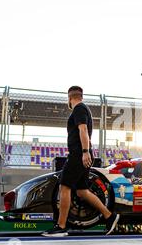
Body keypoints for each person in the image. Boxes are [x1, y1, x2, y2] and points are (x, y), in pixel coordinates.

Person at [43, 86, 120, 237]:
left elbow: (83, 130)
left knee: (64, 187)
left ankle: (61, 226)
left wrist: (85, 152)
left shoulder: (79, 109)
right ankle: (109, 216)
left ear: (70, 98)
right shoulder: (83, 108)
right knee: (82, 191)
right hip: (82, 153)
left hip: (79, 154)